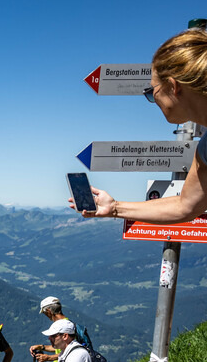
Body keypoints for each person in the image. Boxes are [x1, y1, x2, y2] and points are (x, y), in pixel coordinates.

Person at [73, 28, 207, 224]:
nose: (153, 100)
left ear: (173, 87)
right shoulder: (204, 149)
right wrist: (114, 207)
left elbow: (185, 206)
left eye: (152, 92)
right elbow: (185, 205)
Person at [30, 296, 93, 362]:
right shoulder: (66, 324)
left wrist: (49, 357)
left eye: (44, 313)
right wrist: (42, 347)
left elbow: (71, 351)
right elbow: (61, 346)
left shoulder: (65, 327)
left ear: (49, 311)